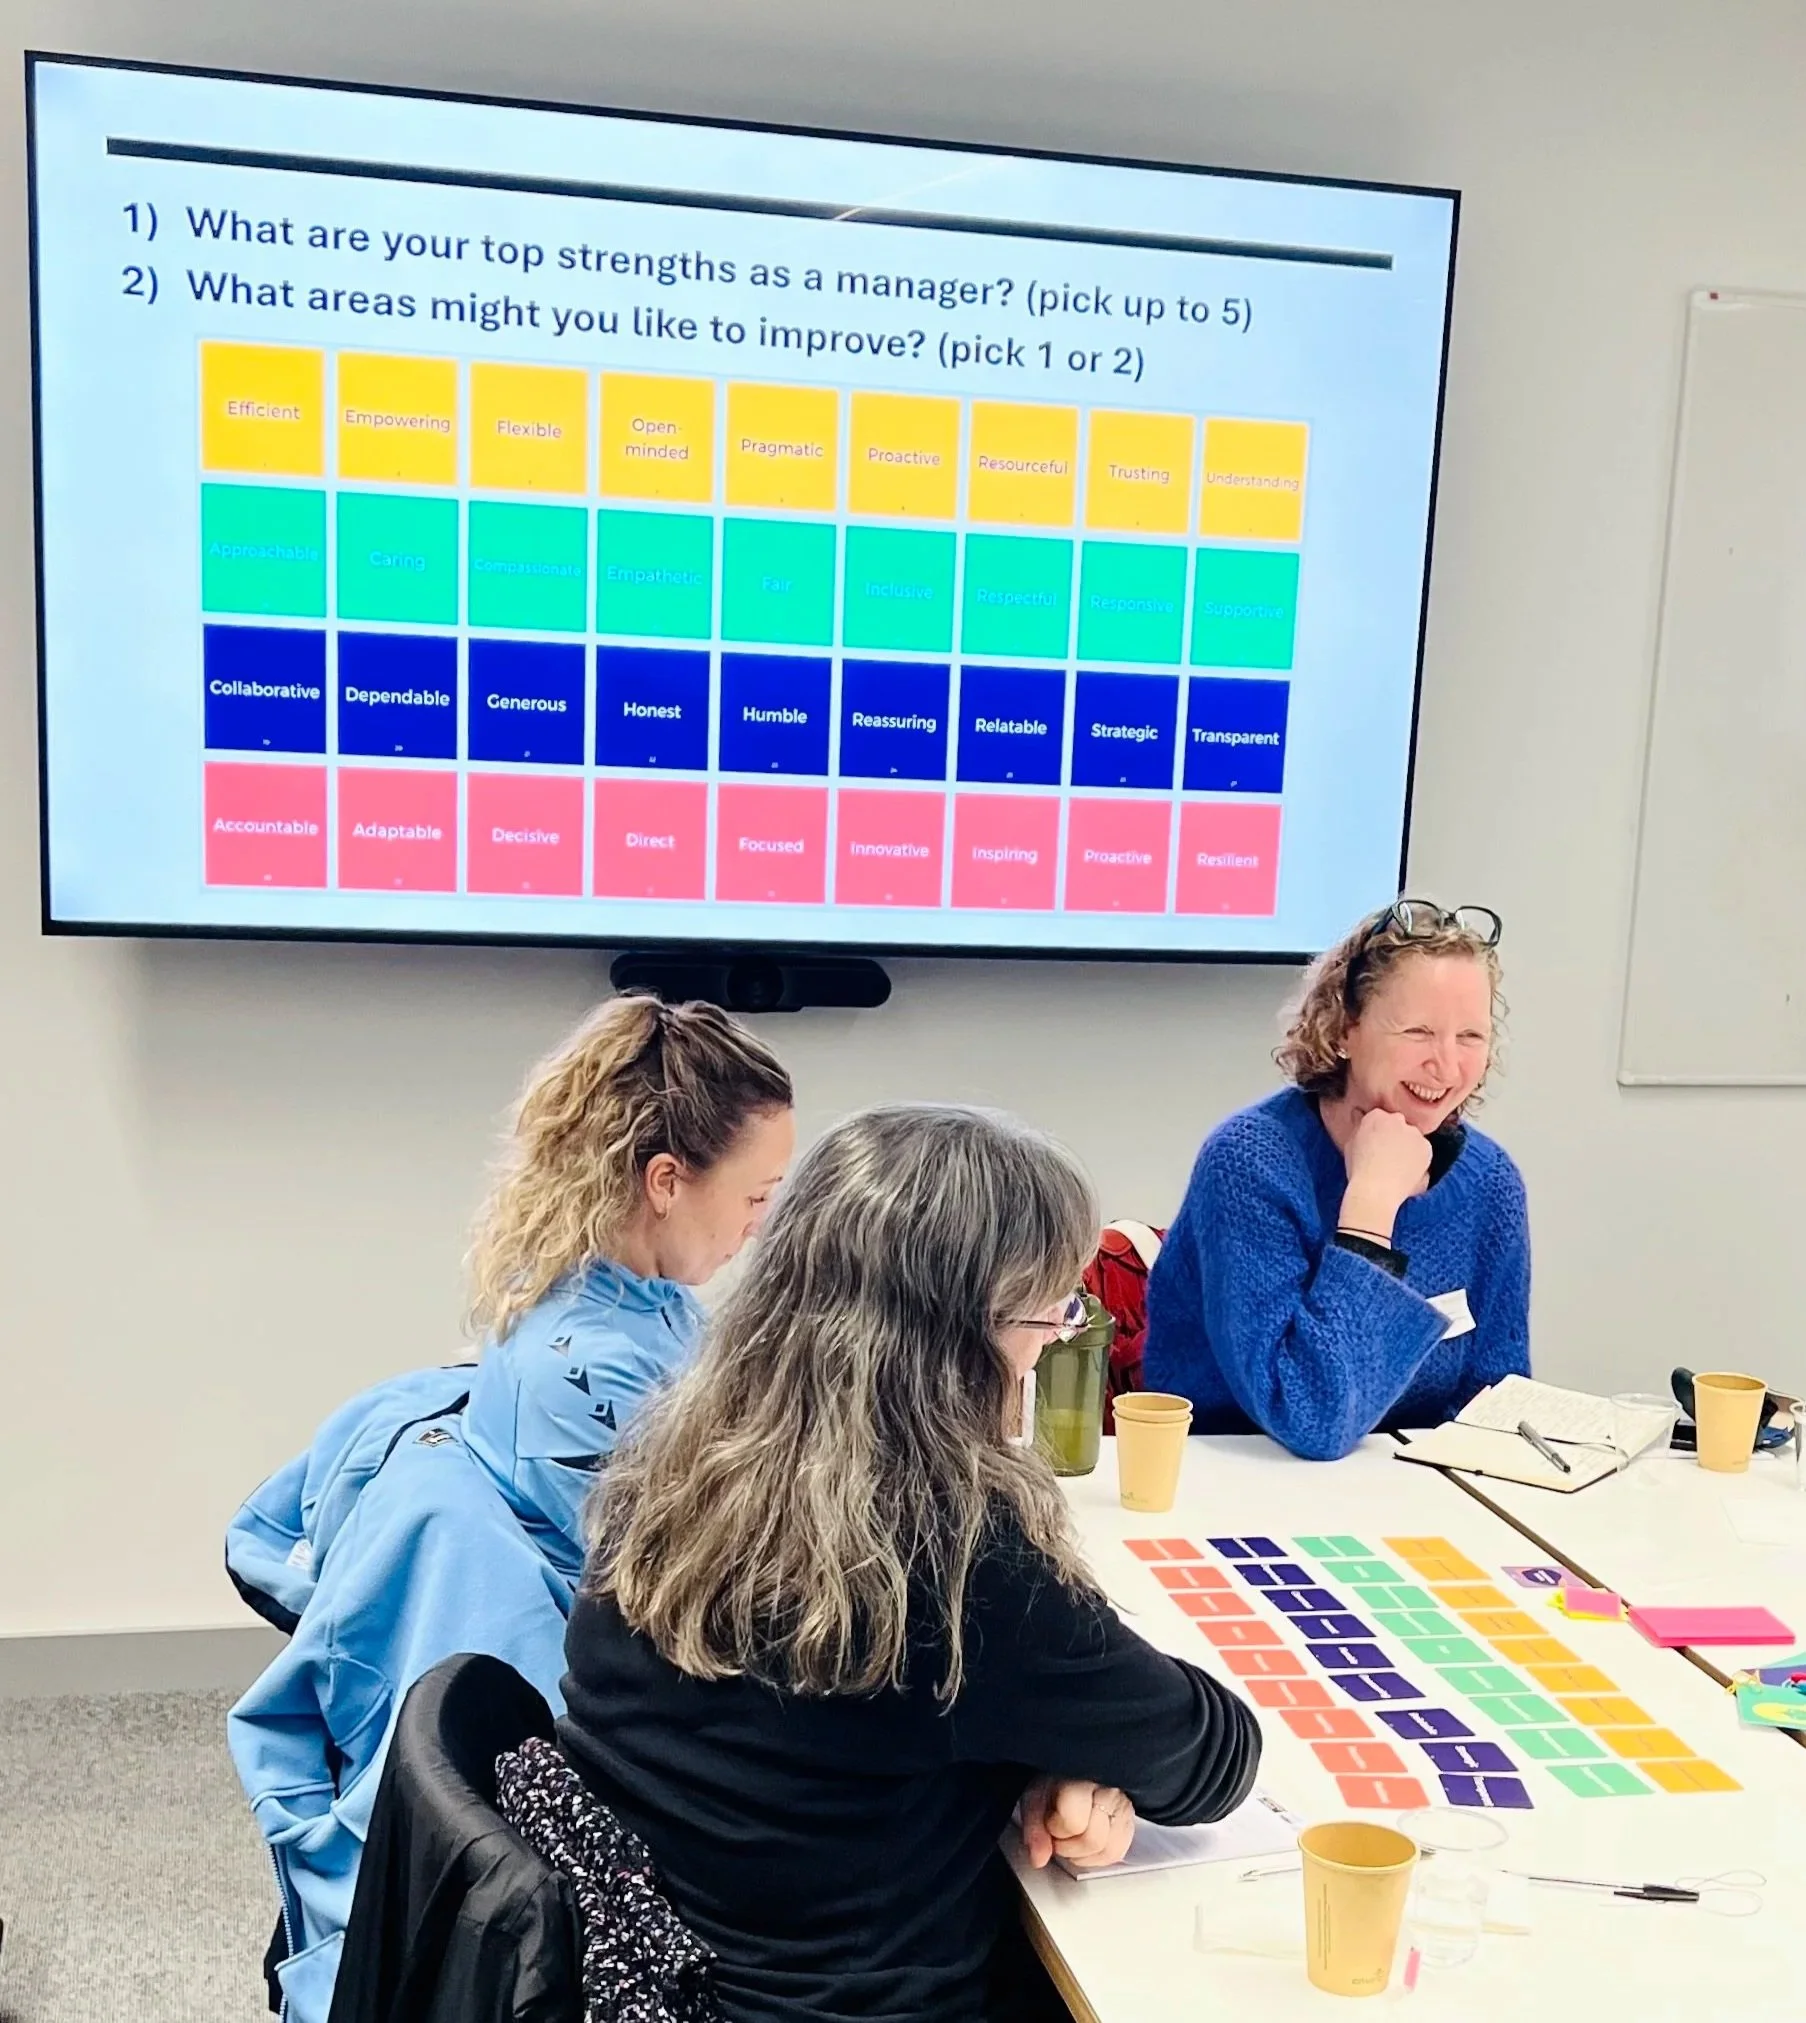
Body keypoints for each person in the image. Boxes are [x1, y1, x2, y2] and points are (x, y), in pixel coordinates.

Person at [561, 1104, 1261, 2023]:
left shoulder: (670, 1462)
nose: (1056, 1336)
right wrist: (1076, 1747)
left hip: (650, 1975)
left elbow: (871, 1729)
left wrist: (1051, 1745)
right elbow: (1213, 1752)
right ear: (957, 1337)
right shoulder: (954, 1559)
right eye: (1049, 1309)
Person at [224, 996, 794, 2023]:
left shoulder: (617, 1301)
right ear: (666, 1181)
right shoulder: (591, 1389)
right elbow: (710, 1637)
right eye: (756, 1195)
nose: (763, 1222)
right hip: (592, 1753)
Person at [1143, 899, 1529, 1462]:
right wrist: (1370, 1211)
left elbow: (1495, 1407)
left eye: (1470, 1036)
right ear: (1346, 1028)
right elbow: (1308, 1417)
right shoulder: (1250, 1163)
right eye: (1419, 1031)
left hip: (1403, 1495)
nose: (1446, 1067)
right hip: (1236, 1479)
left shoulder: (1490, 1182)